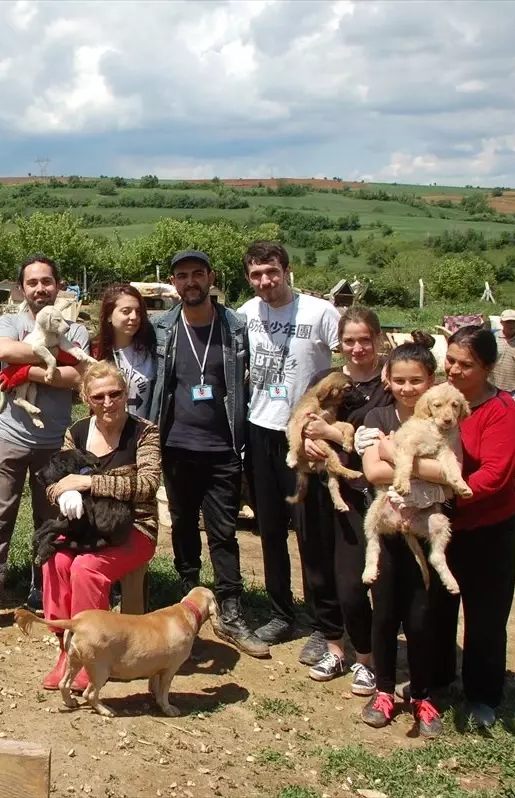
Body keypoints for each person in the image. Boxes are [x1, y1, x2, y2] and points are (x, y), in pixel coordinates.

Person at [0, 254, 91, 639]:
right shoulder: (10, 321)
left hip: (56, 442)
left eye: (47, 282)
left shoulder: (76, 329)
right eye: (32, 282)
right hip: (9, 438)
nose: (39, 289)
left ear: (58, 285)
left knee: (50, 520)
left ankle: (43, 590)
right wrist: (49, 359)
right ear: (22, 289)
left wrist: (23, 370)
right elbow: (3, 352)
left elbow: (75, 377)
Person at [147, 250, 268, 658]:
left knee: (223, 532)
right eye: (182, 275)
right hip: (177, 448)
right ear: (173, 283)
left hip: (224, 448)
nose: (191, 282)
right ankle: (188, 602)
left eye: (198, 273)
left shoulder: (236, 327)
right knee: (182, 526)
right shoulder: (162, 328)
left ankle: (231, 611)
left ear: (211, 277)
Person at [236, 241, 340, 662]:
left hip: (303, 436)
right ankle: (282, 613)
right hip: (259, 431)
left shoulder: (319, 312)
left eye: (272, 272)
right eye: (257, 274)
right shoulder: (245, 314)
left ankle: (323, 622)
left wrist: (328, 414)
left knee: (312, 531)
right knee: (271, 530)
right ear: (249, 277)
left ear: (287, 270)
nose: (265, 281)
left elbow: (347, 362)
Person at [39, 362, 161, 689]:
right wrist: (62, 494)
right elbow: (55, 479)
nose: (108, 403)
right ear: (87, 399)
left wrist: (90, 483)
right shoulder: (77, 431)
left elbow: (147, 484)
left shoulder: (144, 432)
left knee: (86, 570)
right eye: (99, 397)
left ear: (126, 394)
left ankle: (92, 653)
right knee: (55, 559)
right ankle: (67, 647)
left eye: (115, 394)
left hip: (135, 527)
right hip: (87, 528)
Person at [429, 325, 515, 730]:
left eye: (465, 365)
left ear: (487, 367)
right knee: (435, 606)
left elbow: (495, 476)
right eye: (449, 360)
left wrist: (445, 490)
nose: (452, 370)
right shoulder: (438, 400)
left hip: (487, 524)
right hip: (442, 522)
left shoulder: (501, 413)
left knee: (485, 613)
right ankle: (434, 680)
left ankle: (482, 694)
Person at [356, 332, 451, 737]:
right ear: (387, 381)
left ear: (431, 380)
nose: (408, 388)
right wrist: (422, 469)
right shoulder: (377, 418)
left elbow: (452, 472)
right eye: (400, 381)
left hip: (427, 530)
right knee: (384, 612)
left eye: (416, 381)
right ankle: (383, 691)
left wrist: (395, 455)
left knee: (421, 616)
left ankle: (423, 695)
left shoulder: (443, 420)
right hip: (389, 530)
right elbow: (372, 473)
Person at [297, 307, 392, 691]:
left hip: (358, 493)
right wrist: (305, 437)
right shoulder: (326, 379)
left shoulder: (388, 387)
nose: (356, 348)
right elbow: (303, 418)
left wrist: (332, 435)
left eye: (364, 340)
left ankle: (366, 658)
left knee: (352, 580)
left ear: (378, 339)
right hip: (317, 487)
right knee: (318, 572)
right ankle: (335, 648)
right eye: (349, 341)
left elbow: (378, 441)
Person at [95, 283, 157, 415]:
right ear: (109, 316)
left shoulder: (151, 351)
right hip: (106, 432)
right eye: (126, 311)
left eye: (138, 312)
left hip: (144, 432)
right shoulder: (94, 352)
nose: (134, 317)